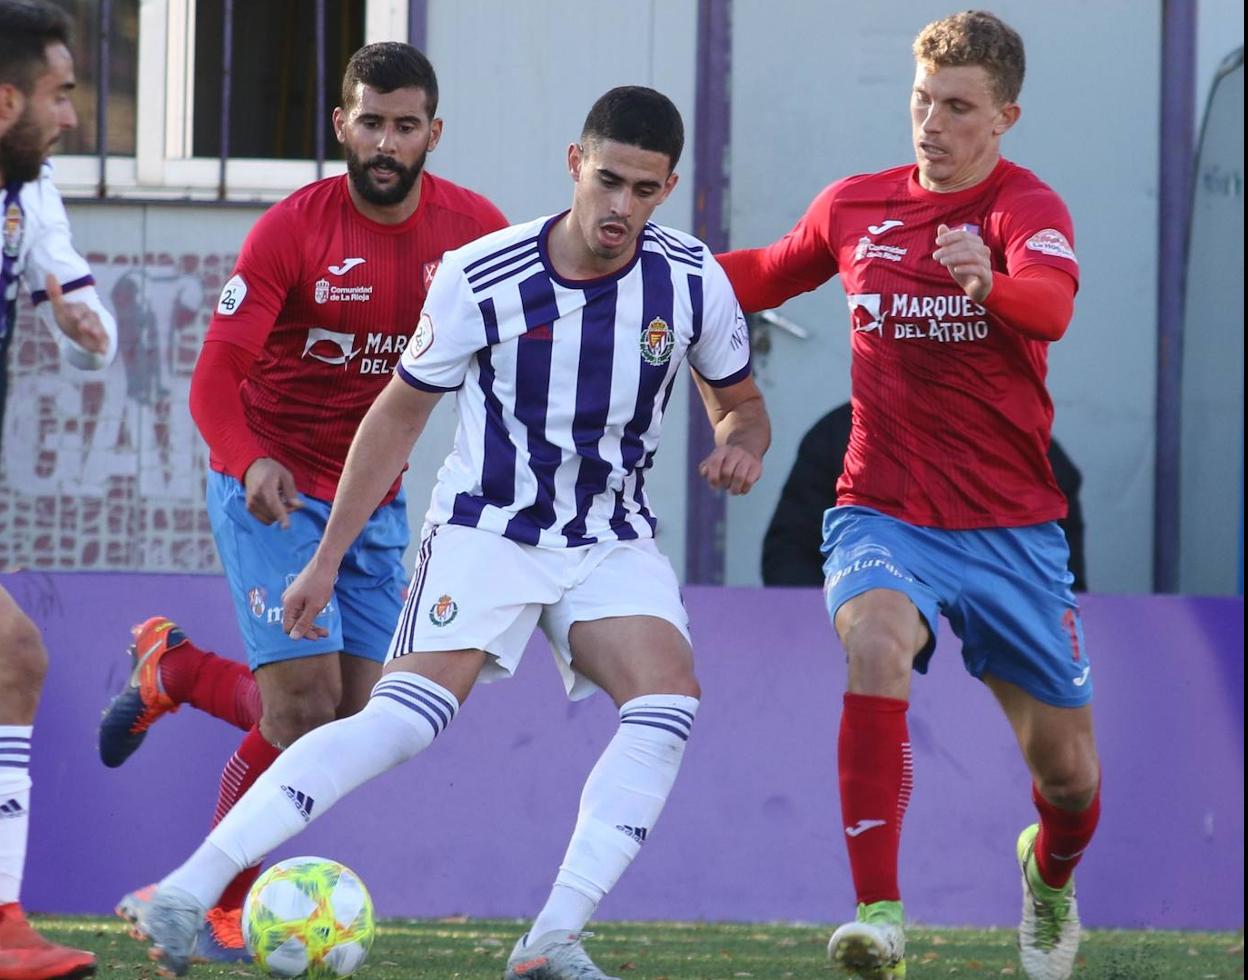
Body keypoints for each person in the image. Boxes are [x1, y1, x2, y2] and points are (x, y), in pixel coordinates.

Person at [139, 84, 769, 979]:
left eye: (644, 190)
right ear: (574, 165)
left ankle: (551, 938)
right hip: (488, 532)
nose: (621, 207)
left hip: (608, 538)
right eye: (608, 181)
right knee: (396, 722)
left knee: (668, 700)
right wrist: (325, 559)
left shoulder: (692, 281)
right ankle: (188, 889)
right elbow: (395, 418)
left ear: (667, 188)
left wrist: (739, 444)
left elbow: (740, 404)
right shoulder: (485, 272)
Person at [95, 41, 506, 963]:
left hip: (373, 496)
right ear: (341, 126)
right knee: (301, 711)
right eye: (371, 123)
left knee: (360, 720)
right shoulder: (292, 230)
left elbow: (521, 351)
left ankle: (176, 671)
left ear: (434, 132)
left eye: (406, 126)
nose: (387, 143)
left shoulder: (476, 233)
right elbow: (212, 380)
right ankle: (212, 902)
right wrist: (247, 461)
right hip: (270, 489)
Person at [717, 11, 1099, 980]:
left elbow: (1052, 303)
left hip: (1013, 527)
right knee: (876, 640)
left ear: (1004, 117)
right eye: (922, 101)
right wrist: (644, 270)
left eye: (958, 107)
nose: (932, 124)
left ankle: (1046, 874)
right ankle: (879, 913)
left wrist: (991, 287)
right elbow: (763, 273)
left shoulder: (1025, 208)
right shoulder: (855, 206)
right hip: (883, 508)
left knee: (1070, 779)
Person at [1, 2, 117, 977]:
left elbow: (63, 275)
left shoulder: (24, 189)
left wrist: (79, 313)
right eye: (60, 94)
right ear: (6, 100)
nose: (73, 117)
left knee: (12, 659)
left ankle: (4, 922)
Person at [762, 402, 1088, 590]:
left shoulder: (1035, 457)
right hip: (858, 643)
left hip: (992, 656)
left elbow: (1063, 584)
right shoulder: (839, 438)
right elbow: (789, 559)